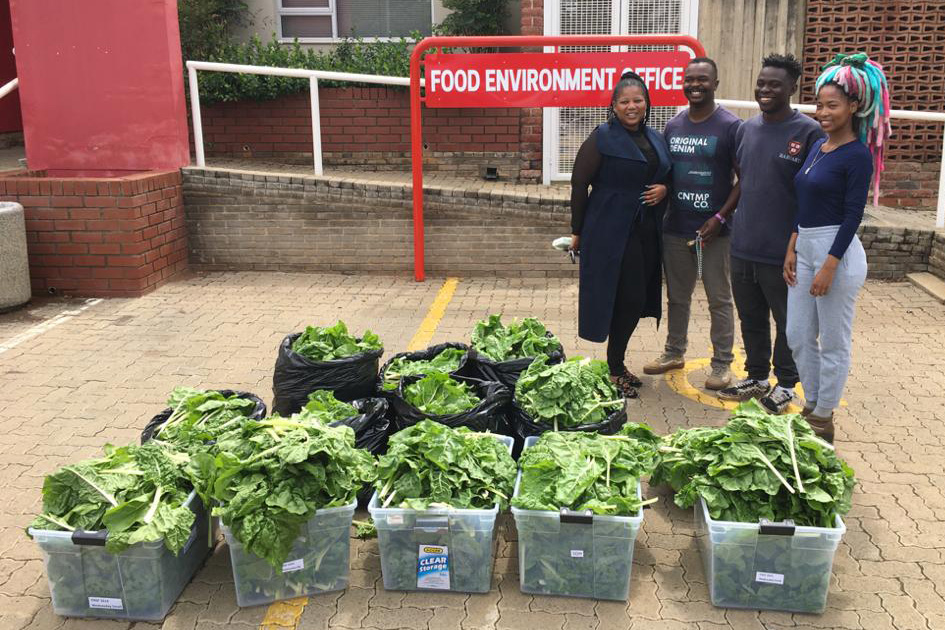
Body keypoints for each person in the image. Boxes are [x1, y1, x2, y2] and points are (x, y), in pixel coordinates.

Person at [784, 53, 891, 442]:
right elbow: (804, 203)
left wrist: (830, 264)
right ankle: (812, 402)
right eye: (819, 104)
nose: (823, 112)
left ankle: (824, 416)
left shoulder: (857, 156)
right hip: (806, 247)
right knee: (797, 334)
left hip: (837, 254)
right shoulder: (819, 146)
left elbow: (852, 216)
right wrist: (793, 245)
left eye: (832, 105)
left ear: (854, 106)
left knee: (833, 339)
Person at [717, 53, 825, 413]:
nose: (765, 90)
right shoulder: (745, 130)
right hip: (744, 243)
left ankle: (787, 384)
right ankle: (757, 376)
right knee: (751, 317)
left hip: (784, 251)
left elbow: (815, 195)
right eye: (761, 83)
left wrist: (798, 246)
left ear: (792, 88)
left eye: (774, 84)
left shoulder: (809, 133)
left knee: (788, 322)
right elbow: (745, 182)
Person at [570, 71, 672, 398]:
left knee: (638, 297)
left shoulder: (655, 137)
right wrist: (577, 231)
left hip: (645, 230)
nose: (632, 106)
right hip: (610, 230)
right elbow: (578, 184)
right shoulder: (602, 137)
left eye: (637, 100)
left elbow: (664, 173)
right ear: (613, 106)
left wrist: (665, 189)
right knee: (625, 299)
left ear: (647, 103)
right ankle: (614, 370)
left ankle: (617, 363)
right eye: (624, 101)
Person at [643, 57, 741, 391]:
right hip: (677, 227)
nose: (694, 85)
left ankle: (722, 364)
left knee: (719, 298)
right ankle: (674, 352)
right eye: (689, 79)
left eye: (702, 79)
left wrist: (720, 217)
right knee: (677, 297)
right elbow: (668, 172)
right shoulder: (674, 126)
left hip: (716, 231)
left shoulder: (730, 126)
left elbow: (745, 179)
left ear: (715, 84)